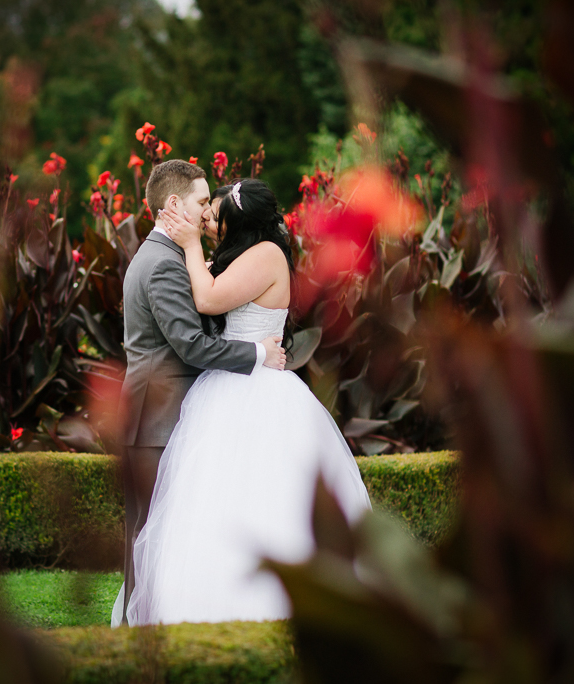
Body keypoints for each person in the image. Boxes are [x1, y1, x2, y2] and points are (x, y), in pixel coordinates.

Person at [121, 178, 372, 626]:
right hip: (227, 386)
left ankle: (274, 600)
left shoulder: (266, 254)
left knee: (264, 497)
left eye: (214, 214)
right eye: (205, 208)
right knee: (210, 503)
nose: (207, 219)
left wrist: (191, 245)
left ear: (238, 222)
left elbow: (207, 299)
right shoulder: (238, 256)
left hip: (255, 390)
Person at [114, 161, 287, 626]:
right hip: (156, 418)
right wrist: (258, 352)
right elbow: (191, 345)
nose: (208, 211)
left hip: (158, 415)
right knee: (150, 537)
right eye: (202, 201)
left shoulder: (166, 257)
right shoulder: (164, 265)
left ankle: (144, 629)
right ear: (175, 204)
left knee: (155, 538)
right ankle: (139, 634)